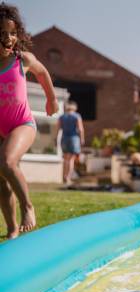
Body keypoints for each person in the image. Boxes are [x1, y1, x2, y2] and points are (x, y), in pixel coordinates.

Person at [0, 3, 58, 239]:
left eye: (12, 33)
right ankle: (12, 229)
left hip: (22, 124)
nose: (8, 38)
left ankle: (28, 207)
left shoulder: (21, 59)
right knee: (1, 182)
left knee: (6, 161)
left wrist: (51, 100)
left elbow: (42, 72)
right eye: (2, 34)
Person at [57, 100, 84, 185]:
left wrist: (55, 139)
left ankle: (64, 177)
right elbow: (80, 129)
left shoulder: (61, 117)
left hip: (64, 138)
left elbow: (58, 129)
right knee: (71, 159)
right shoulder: (77, 116)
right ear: (75, 108)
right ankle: (68, 178)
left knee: (66, 159)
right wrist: (82, 139)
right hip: (74, 139)